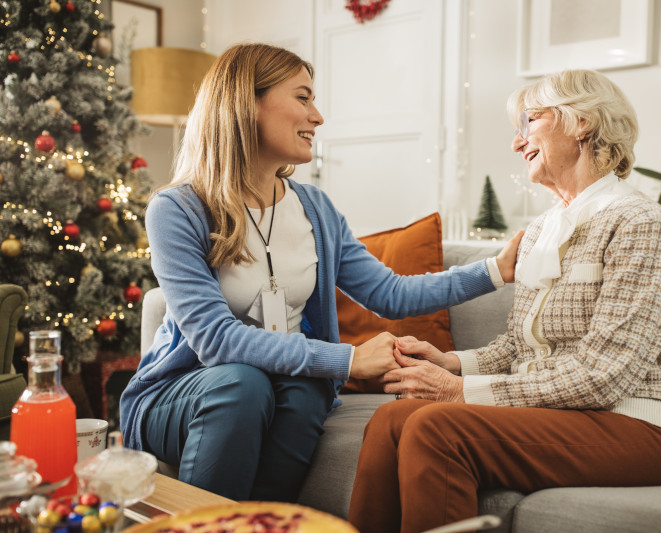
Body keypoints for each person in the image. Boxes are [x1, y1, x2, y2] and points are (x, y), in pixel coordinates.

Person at [119, 43, 522, 502]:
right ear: (246, 103)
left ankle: (266, 520)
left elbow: (389, 293)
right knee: (242, 383)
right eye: (303, 98)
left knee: (308, 390)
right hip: (186, 394)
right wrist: (349, 360)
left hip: (278, 389)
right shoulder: (178, 209)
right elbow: (213, 340)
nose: (318, 117)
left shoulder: (314, 209)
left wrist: (494, 269)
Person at [348, 69, 661, 533]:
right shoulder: (543, 228)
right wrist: (451, 362)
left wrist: (460, 393)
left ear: (582, 122)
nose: (518, 143)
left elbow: (604, 376)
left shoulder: (640, 224)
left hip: (639, 426)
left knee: (436, 428)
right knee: (393, 418)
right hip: (563, 414)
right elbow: (521, 348)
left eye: (529, 122)